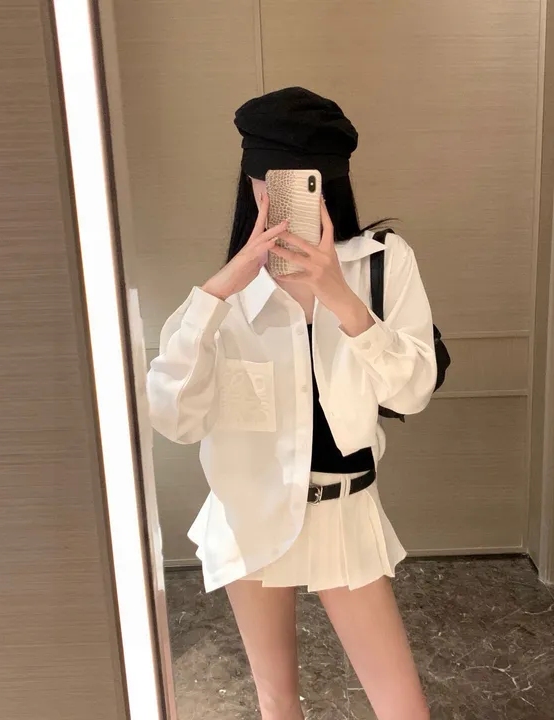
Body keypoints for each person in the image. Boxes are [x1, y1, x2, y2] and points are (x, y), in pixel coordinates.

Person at [147, 87, 436, 720]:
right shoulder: (227, 298)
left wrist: (340, 298)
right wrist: (220, 290)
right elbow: (174, 418)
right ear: (251, 182)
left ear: (332, 183)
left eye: (308, 184)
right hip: (249, 511)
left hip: (343, 510)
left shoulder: (383, 265)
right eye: (271, 183)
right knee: (277, 701)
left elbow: (413, 390)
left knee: (403, 708)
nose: (288, 202)